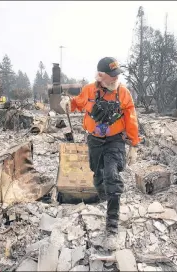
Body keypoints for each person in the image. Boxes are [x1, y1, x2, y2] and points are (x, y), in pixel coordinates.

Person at [59, 57, 140, 250]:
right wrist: (67, 103)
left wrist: (134, 145)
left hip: (114, 141)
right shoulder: (89, 90)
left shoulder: (124, 93)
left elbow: (131, 119)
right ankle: (105, 198)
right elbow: (77, 104)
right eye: (111, 76)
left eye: (117, 75)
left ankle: (112, 225)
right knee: (97, 175)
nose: (115, 79)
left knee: (112, 175)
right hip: (94, 140)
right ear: (100, 76)